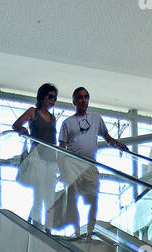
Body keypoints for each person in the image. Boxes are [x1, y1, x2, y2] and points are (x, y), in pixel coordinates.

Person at [58, 86, 128, 239]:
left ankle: (89, 232)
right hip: (73, 166)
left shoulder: (96, 118)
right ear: (74, 101)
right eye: (80, 97)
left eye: (85, 97)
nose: (83, 100)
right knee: (73, 199)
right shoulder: (67, 123)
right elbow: (61, 148)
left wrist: (118, 145)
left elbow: (107, 137)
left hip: (90, 165)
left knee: (93, 199)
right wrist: (62, 170)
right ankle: (77, 232)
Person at [12, 83, 59, 229]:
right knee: (39, 194)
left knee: (50, 197)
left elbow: (53, 139)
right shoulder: (33, 112)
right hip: (38, 156)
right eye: (50, 96)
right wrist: (22, 129)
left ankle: (48, 229)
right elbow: (16, 124)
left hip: (51, 158)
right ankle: (36, 226)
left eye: (55, 98)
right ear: (42, 96)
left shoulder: (53, 118)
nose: (53, 100)